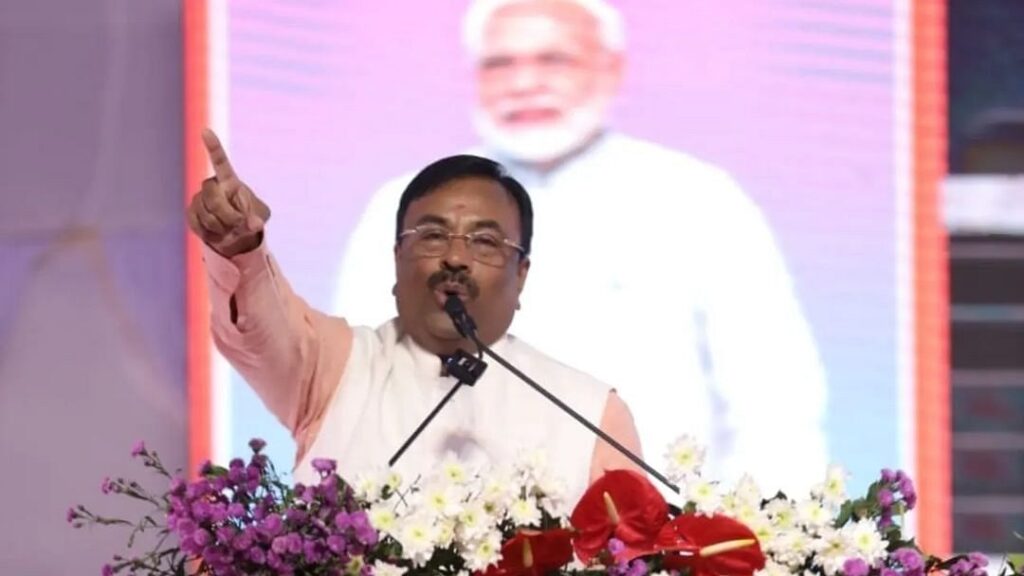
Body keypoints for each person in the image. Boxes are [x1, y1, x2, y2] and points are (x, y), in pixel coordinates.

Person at [332, 0, 829, 495]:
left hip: (655, 529)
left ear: (612, 68)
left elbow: (774, 401)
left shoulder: (698, 198)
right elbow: (356, 389)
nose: (524, 83)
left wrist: (758, 531)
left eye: (554, 60)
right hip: (450, 528)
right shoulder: (406, 205)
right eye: (500, 63)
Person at [188, 129, 643, 503]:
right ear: (397, 258)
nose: (456, 258)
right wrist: (240, 247)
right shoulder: (334, 365)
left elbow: (640, 556)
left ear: (520, 274)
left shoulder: (590, 412)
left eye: (486, 242)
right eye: (432, 236)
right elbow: (259, 327)